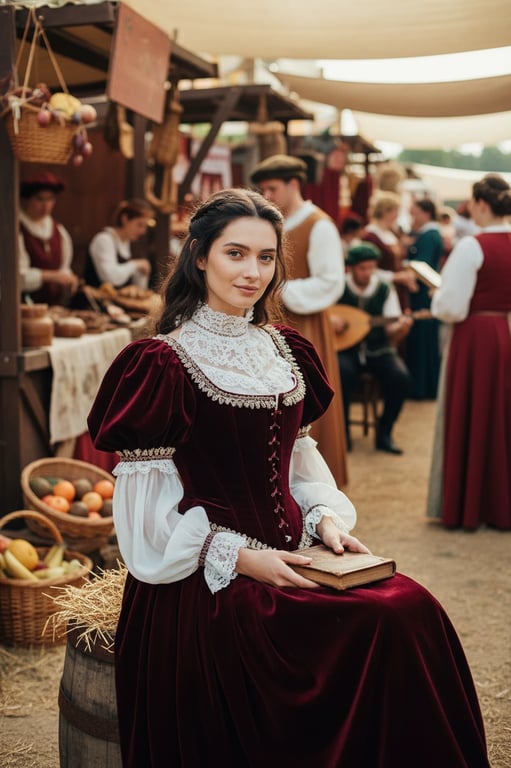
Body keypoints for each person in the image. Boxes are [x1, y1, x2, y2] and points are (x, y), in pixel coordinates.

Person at [88, 189, 489, 768]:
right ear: (198, 256)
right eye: (236, 254)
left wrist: (323, 519)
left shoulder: (285, 350)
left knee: (412, 608)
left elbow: (297, 467)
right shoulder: (161, 363)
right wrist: (241, 558)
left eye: (267, 257)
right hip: (206, 577)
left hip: (297, 553)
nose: (253, 273)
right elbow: (146, 516)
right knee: (377, 621)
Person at [250, 153, 348, 487]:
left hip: (304, 328)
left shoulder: (318, 224)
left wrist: (280, 292)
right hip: (269, 324)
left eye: (273, 188)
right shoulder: (270, 224)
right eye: (263, 189)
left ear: (294, 184)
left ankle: (312, 485)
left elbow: (331, 281)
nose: (268, 195)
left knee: (304, 399)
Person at [429, 174, 511, 530]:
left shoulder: (471, 246)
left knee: (471, 412)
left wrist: (436, 300)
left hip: (474, 335)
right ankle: (498, 502)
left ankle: (469, 504)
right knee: (500, 415)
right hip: (504, 331)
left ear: (480, 204)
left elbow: (451, 307)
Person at [334, 243, 412, 454]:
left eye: (371, 268)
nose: (368, 273)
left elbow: (391, 331)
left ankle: (384, 434)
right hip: (345, 350)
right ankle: (343, 436)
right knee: (339, 373)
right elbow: (322, 315)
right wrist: (331, 320)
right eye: (363, 268)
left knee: (400, 377)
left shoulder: (384, 289)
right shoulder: (338, 287)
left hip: (378, 349)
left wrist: (401, 328)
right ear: (350, 268)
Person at [19, 172, 80, 305]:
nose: (45, 205)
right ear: (28, 199)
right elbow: (17, 277)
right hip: (23, 306)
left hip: (53, 307)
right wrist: (53, 276)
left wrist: (68, 281)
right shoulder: (17, 229)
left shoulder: (58, 230)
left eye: (50, 199)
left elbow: (64, 267)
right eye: (40, 199)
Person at [405, 198, 444, 399]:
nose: (414, 216)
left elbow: (423, 265)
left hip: (423, 294)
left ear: (426, 213)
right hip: (422, 293)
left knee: (423, 340)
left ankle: (423, 388)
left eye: (416, 212)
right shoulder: (429, 233)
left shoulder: (430, 235)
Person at [362, 191, 417, 310]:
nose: (397, 215)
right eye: (395, 211)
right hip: (381, 290)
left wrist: (406, 276)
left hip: (398, 289)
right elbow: (367, 269)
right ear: (385, 211)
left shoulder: (391, 233)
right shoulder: (370, 236)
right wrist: (394, 277)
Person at [86, 198, 153, 288]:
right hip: (95, 300)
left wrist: (143, 275)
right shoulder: (104, 240)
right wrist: (136, 265)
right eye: (139, 225)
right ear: (125, 219)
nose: (143, 231)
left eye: (145, 226)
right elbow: (110, 278)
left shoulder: (131, 244)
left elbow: (139, 287)